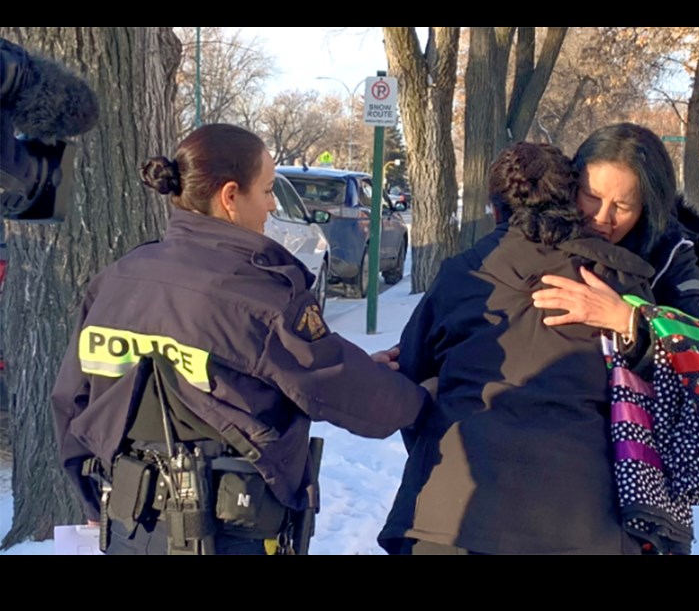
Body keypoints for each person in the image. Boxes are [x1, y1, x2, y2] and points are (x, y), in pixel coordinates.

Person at [51, 123, 429, 555]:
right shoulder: (254, 292)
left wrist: (90, 498)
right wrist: (421, 401)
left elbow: (72, 399)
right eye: (267, 191)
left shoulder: (118, 279)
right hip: (227, 529)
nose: (271, 206)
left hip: (129, 523)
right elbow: (335, 386)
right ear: (230, 197)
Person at [377, 142, 659, 555]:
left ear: (495, 209)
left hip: (451, 518)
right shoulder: (625, 285)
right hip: (584, 521)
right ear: (569, 200)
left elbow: (410, 384)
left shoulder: (464, 274)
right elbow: (658, 390)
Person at [531, 123, 699, 372]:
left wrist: (628, 320)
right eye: (591, 197)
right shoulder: (536, 229)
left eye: (622, 207)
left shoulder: (670, 253)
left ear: (647, 209)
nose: (602, 217)